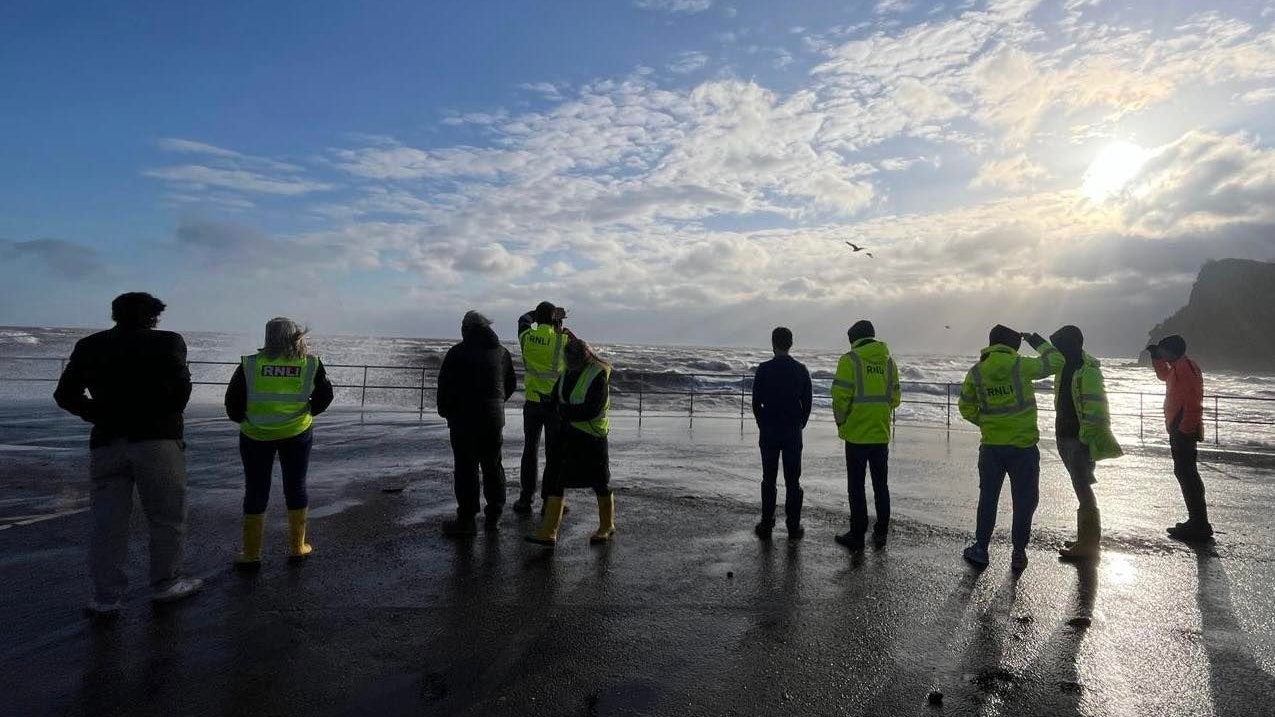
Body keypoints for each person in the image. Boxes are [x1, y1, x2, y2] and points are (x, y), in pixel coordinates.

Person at [53, 292, 204, 616]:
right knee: (166, 516)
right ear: (153, 317)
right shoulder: (168, 343)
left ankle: (105, 597)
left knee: (107, 521)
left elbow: (65, 394)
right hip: (157, 441)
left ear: (115, 315)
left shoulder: (90, 346)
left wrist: (98, 414)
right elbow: (180, 393)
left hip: (108, 441)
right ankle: (166, 583)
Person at [224, 318, 334, 570]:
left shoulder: (250, 364)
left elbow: (233, 400)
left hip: (255, 434)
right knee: (296, 486)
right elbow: (325, 395)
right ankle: (297, 548)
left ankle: (251, 554)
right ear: (295, 336)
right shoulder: (310, 363)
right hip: (297, 432)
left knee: (255, 489)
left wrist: (245, 418)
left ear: (268, 336)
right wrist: (307, 413)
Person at [958, 325, 1063, 572]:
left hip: (992, 446)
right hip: (1023, 447)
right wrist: (1036, 340)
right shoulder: (1020, 366)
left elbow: (966, 407)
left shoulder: (977, 372)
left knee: (988, 499)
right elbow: (1057, 361)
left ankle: (981, 549)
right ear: (1013, 345)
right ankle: (1018, 553)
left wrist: (987, 422)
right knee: (1024, 501)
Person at [526, 338, 614, 547]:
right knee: (557, 478)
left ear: (583, 357)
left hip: (592, 436)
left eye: (571, 358)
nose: (568, 362)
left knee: (600, 481)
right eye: (567, 358)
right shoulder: (566, 373)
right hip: (567, 435)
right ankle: (548, 532)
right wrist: (549, 402)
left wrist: (560, 411)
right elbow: (558, 397)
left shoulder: (598, 374)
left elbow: (590, 409)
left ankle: (606, 526)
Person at [436, 310, 516, 536]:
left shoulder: (457, 353)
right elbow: (509, 384)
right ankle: (494, 517)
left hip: (463, 420)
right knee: (493, 466)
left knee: (465, 469)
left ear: (468, 328)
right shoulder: (502, 353)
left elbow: (445, 386)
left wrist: (445, 411)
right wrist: (496, 404)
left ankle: (467, 521)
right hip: (493, 419)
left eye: (462, 325)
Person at [1048, 325, 1122, 561]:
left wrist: (1085, 438)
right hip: (1064, 435)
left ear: (1070, 345)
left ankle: (1089, 544)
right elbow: (1046, 351)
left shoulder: (1087, 370)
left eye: (1059, 345)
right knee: (1079, 485)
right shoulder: (1066, 364)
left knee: (1083, 487)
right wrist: (1032, 339)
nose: (1055, 350)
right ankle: (1085, 538)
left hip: (1078, 439)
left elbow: (1097, 409)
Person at [832, 320, 901, 551]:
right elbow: (895, 399)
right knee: (881, 485)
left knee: (856, 486)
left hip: (856, 434)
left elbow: (840, 398)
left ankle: (857, 534)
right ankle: (881, 531)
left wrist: (842, 421)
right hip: (881, 433)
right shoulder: (889, 362)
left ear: (854, 339)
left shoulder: (850, 360)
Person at [1147, 334, 1212, 541]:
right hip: (1178, 425)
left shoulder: (1186, 367)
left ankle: (1199, 523)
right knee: (1184, 473)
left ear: (1172, 350)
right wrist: (1155, 358)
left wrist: (1185, 427)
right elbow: (1163, 376)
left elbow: (1194, 399)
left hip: (1183, 427)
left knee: (1187, 474)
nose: (1162, 352)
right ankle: (1197, 521)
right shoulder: (1177, 366)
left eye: (1163, 349)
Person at [750, 327, 813, 540]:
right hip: (792, 431)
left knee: (768, 478)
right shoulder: (801, 369)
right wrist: (800, 424)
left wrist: (762, 423)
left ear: (773, 343)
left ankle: (767, 524)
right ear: (791, 344)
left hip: (769, 429)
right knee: (793, 480)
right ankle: (793, 527)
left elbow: (756, 402)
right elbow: (808, 403)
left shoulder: (764, 369)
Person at [515, 302, 573, 515]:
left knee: (529, 451)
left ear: (537, 318)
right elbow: (581, 350)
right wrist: (560, 321)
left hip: (532, 402)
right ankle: (549, 501)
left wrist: (540, 315)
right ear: (554, 318)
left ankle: (525, 499)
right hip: (555, 405)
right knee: (553, 454)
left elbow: (523, 319)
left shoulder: (526, 337)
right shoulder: (563, 339)